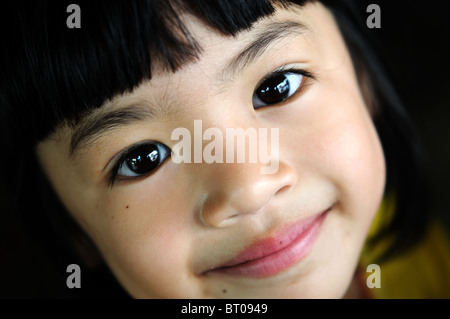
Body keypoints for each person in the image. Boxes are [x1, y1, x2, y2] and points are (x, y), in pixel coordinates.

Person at [1, 0, 449, 298]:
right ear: (72, 226)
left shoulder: (404, 249)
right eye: (143, 158)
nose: (249, 188)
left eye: (277, 88)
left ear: (362, 77)